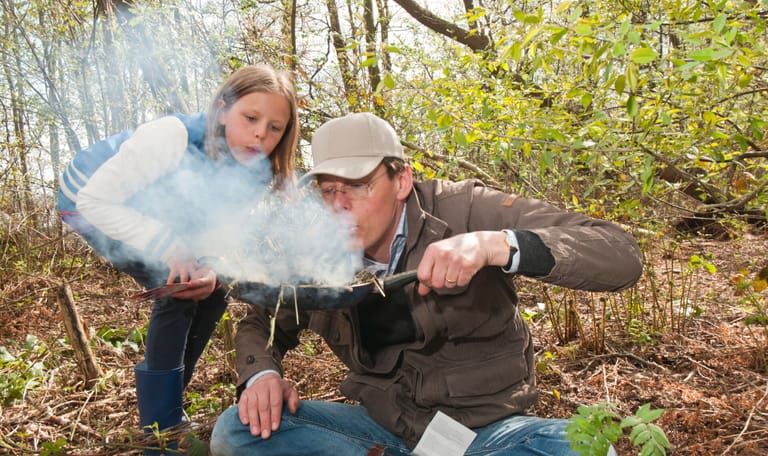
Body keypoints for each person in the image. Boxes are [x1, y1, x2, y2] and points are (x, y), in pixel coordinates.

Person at [209, 112, 642, 455]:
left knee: (585, 449)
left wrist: (496, 246)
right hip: (382, 432)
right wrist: (261, 375)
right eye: (326, 190)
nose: (338, 206)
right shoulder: (315, 246)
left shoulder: (465, 210)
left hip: (486, 435)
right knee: (236, 430)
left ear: (402, 180)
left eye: (357, 186)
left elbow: (619, 253)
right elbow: (262, 321)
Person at [56, 64, 300, 454]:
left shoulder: (255, 171)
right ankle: (161, 432)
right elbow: (94, 201)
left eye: (275, 128)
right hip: (91, 197)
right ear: (223, 109)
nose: (261, 134)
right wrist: (170, 246)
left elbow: (220, 236)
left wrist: (213, 268)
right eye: (251, 118)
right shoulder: (172, 136)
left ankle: (166, 409)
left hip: (162, 212)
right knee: (175, 287)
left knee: (213, 290)